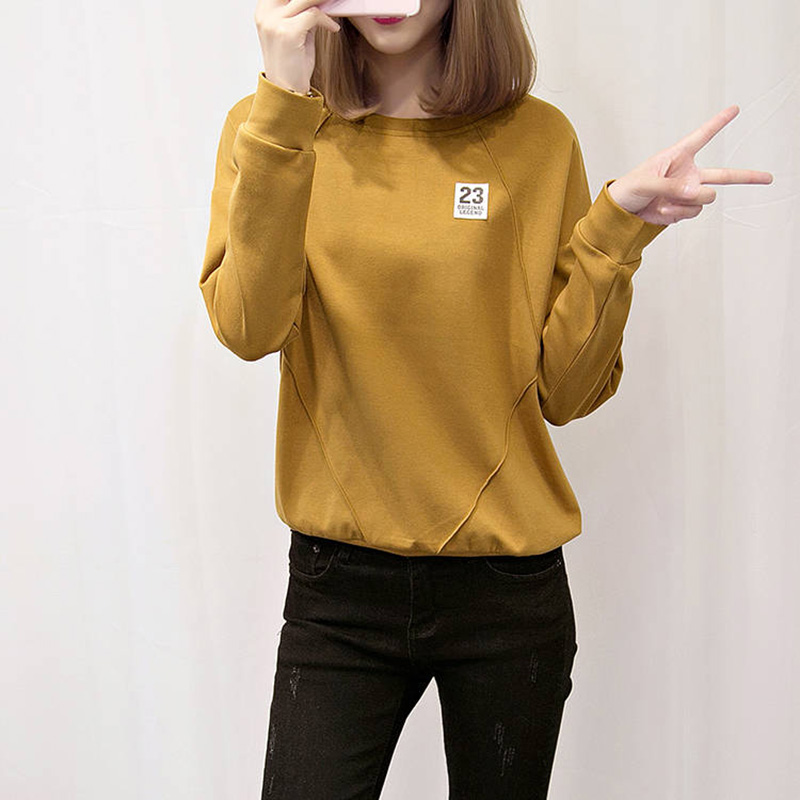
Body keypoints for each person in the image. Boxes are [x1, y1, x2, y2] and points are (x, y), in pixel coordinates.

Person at [198, 1, 774, 797]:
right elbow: (247, 326)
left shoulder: (537, 140)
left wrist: (615, 234)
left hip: (507, 594)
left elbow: (566, 392)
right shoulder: (270, 125)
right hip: (339, 593)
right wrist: (284, 106)